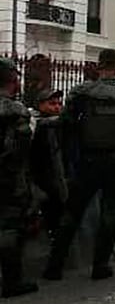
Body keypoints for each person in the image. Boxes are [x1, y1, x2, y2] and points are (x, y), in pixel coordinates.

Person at [44, 49, 115, 281]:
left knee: (72, 211)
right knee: (111, 212)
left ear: (99, 66)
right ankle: (100, 265)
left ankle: (54, 265)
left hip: (88, 159)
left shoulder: (82, 92)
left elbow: (66, 124)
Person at [0, 58, 37, 298]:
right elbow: (21, 151)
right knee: (10, 228)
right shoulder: (15, 111)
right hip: (7, 179)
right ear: (13, 82)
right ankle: (12, 281)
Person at [29, 88, 67, 241]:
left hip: (55, 175)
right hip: (39, 175)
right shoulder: (34, 123)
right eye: (52, 104)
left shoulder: (60, 124)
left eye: (59, 104)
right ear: (40, 104)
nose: (57, 107)